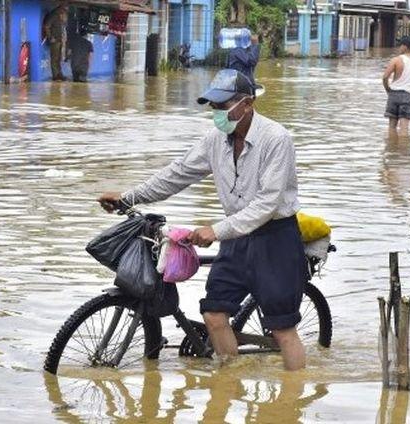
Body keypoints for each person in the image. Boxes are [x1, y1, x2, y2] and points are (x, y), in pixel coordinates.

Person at [98, 69, 308, 371]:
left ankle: (290, 404)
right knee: (213, 314)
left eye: (223, 107)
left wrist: (216, 230)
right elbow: (177, 174)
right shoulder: (215, 140)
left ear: (247, 104)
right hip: (236, 238)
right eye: (214, 107)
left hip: (275, 239)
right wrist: (129, 198)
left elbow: (266, 203)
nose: (217, 113)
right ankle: (229, 381)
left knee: (283, 329)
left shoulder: (276, 139)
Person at [44, 6, 68, 81]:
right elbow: (46, 26)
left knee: (58, 58)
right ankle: (55, 75)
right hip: (55, 40)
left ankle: (59, 74)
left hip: (60, 40)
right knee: (54, 59)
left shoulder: (60, 17)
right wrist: (50, 37)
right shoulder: (53, 16)